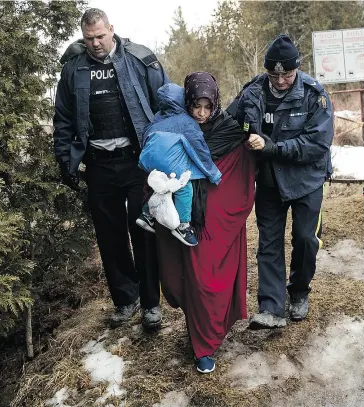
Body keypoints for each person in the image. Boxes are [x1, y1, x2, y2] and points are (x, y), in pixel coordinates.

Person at [53, 8, 169, 329]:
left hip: (138, 161)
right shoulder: (74, 70)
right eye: (89, 38)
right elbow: (62, 119)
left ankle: (150, 303)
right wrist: (67, 162)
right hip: (99, 165)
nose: (96, 43)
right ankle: (125, 299)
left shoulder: (140, 59)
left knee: (143, 230)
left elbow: (165, 104)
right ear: (83, 37)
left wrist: (168, 151)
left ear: (111, 30)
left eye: (101, 36)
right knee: (109, 235)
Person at [227, 34, 334, 329]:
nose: (281, 80)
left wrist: (273, 148)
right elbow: (228, 122)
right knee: (269, 243)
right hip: (269, 182)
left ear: (296, 69)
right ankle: (271, 308)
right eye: (274, 74)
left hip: (307, 180)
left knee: (304, 239)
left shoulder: (315, 95)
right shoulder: (253, 91)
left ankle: (299, 291)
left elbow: (316, 144)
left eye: (286, 74)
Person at [153, 72, 255, 373]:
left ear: (216, 105)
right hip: (187, 220)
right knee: (192, 281)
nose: (201, 113)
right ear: (186, 103)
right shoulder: (173, 130)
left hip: (217, 220)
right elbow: (157, 162)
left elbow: (238, 172)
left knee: (214, 280)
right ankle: (202, 341)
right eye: (196, 105)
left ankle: (207, 343)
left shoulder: (228, 132)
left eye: (207, 106)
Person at [136, 83, 222, 247]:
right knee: (183, 187)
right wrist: (214, 174)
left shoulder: (155, 120)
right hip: (170, 163)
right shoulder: (186, 122)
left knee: (163, 187)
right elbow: (199, 150)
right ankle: (183, 226)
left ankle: (146, 214)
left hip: (148, 162)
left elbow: (145, 138)